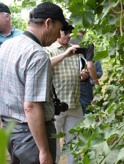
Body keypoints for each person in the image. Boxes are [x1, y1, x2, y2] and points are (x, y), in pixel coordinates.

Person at [0, 2, 76, 164]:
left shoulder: (6, 46)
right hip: (32, 137)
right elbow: (31, 106)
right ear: (48, 23)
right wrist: (44, 151)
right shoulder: (37, 54)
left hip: (11, 132)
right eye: (59, 29)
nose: (59, 36)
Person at [44, 25, 84, 164]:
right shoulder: (48, 49)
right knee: (54, 146)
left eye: (69, 32)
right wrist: (65, 54)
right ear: (57, 32)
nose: (68, 35)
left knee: (75, 143)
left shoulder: (75, 49)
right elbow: (44, 64)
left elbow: (79, 70)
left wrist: (82, 74)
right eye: (65, 32)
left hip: (74, 104)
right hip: (56, 106)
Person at [70, 31, 103, 115]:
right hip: (84, 85)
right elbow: (93, 68)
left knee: (72, 112)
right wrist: (95, 82)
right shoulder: (88, 44)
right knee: (86, 111)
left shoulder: (65, 43)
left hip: (70, 85)